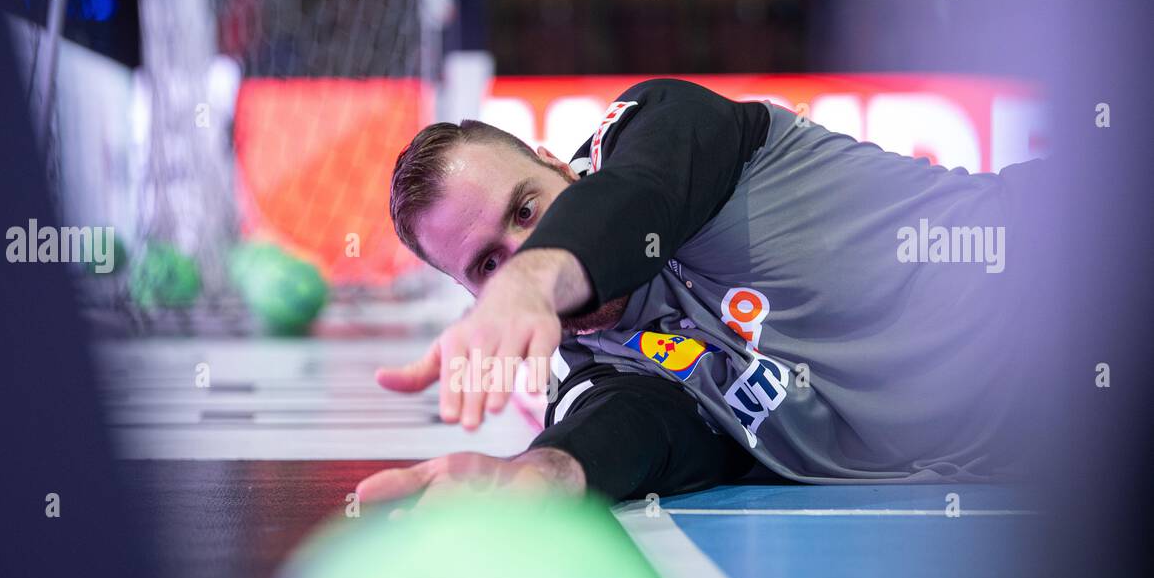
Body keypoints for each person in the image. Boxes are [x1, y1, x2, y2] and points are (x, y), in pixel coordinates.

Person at [358, 78, 1046, 508]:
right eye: (486, 266)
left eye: (525, 210)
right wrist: (543, 475)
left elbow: (642, 195)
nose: (516, 254)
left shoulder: (663, 129)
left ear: (552, 162)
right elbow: (631, 432)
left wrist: (530, 281)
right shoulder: (601, 372)